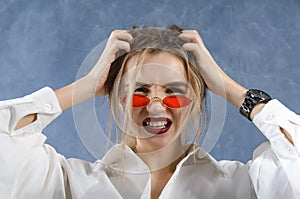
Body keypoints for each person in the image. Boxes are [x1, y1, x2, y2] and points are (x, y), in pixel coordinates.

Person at [0, 25, 299, 199]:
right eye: (140, 91)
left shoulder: (242, 185)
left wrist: (230, 89)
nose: (156, 105)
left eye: (174, 90)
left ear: (194, 98)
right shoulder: (71, 184)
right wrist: (86, 86)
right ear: (119, 99)